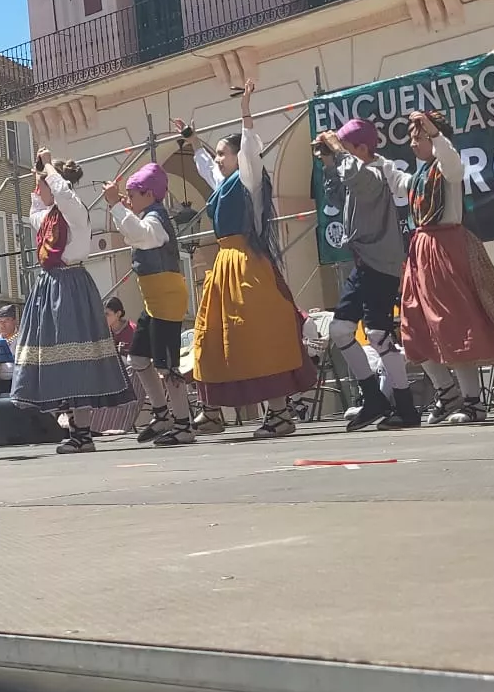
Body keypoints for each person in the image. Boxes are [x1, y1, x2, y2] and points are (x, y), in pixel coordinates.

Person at [184, 82, 316, 436]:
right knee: (213, 339)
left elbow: (249, 154)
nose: (218, 159)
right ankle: (213, 411)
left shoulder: (250, 181)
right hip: (226, 265)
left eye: (222, 154)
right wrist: (195, 142)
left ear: (238, 157)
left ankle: (279, 413)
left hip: (246, 266)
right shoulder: (225, 185)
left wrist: (245, 111)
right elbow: (206, 170)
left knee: (256, 337)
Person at [397, 110, 494, 425]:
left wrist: (434, 132)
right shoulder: (417, 178)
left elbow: (451, 160)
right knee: (413, 326)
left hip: (446, 250)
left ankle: (473, 401)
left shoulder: (448, 170)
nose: (413, 144)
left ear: (434, 138)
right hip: (420, 253)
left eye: (419, 138)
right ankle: (447, 393)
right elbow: (387, 173)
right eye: (412, 139)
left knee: (452, 324)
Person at [10, 151, 135, 453]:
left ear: (54, 185)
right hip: (50, 287)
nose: (37, 191)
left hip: (71, 286)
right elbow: (35, 211)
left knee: (78, 357)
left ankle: (83, 432)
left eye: (41, 185)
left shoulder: (74, 211)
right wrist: (36, 177)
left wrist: (49, 168)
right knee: (57, 359)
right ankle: (74, 428)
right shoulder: (48, 216)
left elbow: (63, 195)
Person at [312, 111, 414, 430]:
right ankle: (373, 398)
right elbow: (335, 195)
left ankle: (406, 407)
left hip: (381, 265)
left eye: (345, 146)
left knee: (378, 333)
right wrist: (330, 163)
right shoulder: (352, 170)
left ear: (360, 147)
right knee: (340, 330)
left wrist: (339, 153)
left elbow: (362, 184)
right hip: (363, 263)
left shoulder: (377, 171)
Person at [103, 161, 196, 447]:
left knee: (166, 364)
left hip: (166, 299)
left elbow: (142, 236)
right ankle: (161, 413)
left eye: (132, 194)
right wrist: (118, 209)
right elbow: (133, 233)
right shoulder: (147, 216)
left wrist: (116, 208)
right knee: (139, 357)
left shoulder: (156, 219)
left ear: (148, 193)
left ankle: (183, 424)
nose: (128, 199)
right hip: (154, 299)